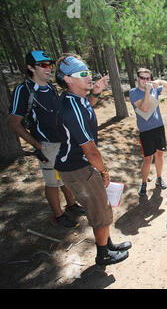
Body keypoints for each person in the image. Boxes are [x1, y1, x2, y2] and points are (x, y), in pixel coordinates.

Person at [54, 54, 131, 266]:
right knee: (99, 210)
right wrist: (104, 171)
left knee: (102, 206)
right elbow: (90, 150)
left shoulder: (77, 99)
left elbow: (87, 106)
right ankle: (103, 254)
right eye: (82, 74)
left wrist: (95, 92)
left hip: (80, 166)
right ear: (68, 79)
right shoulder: (72, 108)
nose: (88, 77)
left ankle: (108, 245)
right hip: (79, 168)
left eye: (88, 72)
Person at [8, 50, 84, 229]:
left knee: (64, 176)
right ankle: (58, 215)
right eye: (42, 65)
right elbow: (14, 123)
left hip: (61, 141)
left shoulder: (49, 87)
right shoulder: (23, 90)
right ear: (30, 68)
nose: (48, 68)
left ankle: (71, 204)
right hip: (46, 145)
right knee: (52, 181)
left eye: (49, 64)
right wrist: (37, 145)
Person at [129, 68, 167, 196]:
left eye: (147, 78)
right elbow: (144, 108)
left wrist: (158, 81)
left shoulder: (154, 89)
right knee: (148, 159)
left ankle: (159, 178)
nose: (145, 81)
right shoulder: (134, 92)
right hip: (146, 131)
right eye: (142, 78)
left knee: (159, 155)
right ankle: (143, 183)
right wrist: (148, 91)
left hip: (159, 127)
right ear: (137, 79)